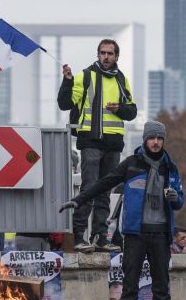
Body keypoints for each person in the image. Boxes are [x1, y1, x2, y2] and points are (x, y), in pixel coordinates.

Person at [59, 120, 184, 300]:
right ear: (145, 140)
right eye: (152, 138)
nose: (156, 142)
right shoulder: (131, 165)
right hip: (135, 235)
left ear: (163, 141)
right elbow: (104, 183)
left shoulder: (171, 168)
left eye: (159, 138)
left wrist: (175, 197)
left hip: (160, 235)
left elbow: (180, 202)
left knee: (161, 289)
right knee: (129, 288)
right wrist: (78, 200)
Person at [57, 39, 138, 251]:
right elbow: (65, 103)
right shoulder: (85, 76)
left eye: (110, 53)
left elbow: (132, 112)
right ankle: (79, 237)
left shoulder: (121, 79)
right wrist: (67, 81)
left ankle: (100, 237)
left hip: (113, 143)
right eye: (102, 53)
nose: (106, 57)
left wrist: (119, 108)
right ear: (98, 54)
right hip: (90, 141)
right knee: (89, 188)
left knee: (105, 192)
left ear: (117, 56)